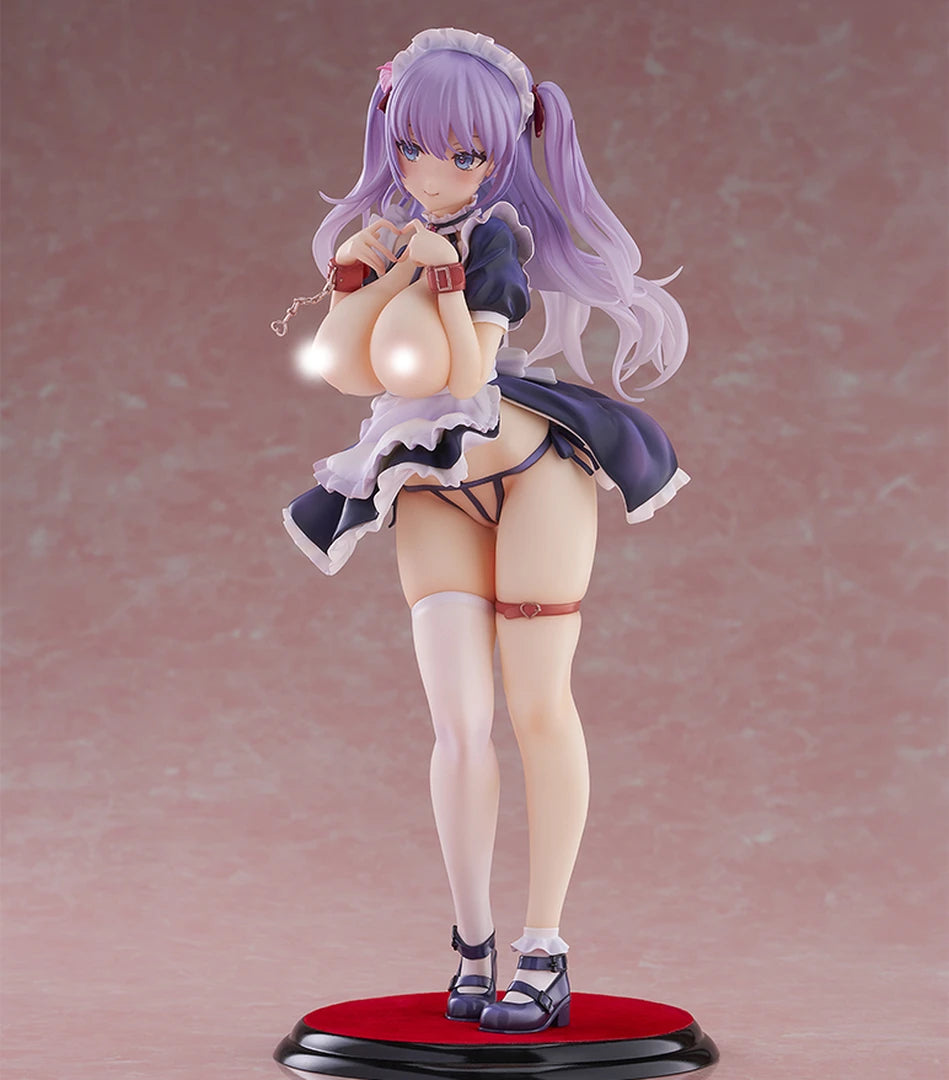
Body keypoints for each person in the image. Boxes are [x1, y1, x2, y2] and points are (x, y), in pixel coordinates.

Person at [281, 27, 689, 1035]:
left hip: (529, 474)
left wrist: (443, 276)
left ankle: (543, 949)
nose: (434, 172)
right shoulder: (388, 236)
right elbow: (346, 368)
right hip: (430, 481)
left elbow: (465, 376)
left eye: (463, 154)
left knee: (538, 706)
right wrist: (374, 273)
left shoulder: (493, 241)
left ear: (497, 157)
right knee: (458, 724)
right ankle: (471, 944)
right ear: (390, 137)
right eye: (415, 147)